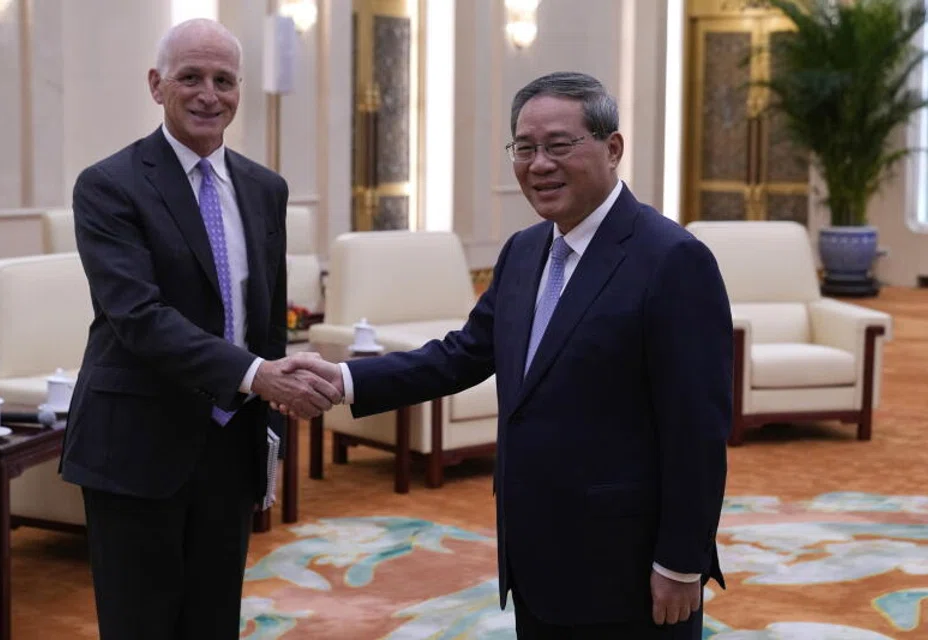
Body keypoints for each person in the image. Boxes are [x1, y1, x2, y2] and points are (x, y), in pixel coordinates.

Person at [288, 71, 731, 638]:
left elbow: (697, 430)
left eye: (558, 145)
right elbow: (462, 355)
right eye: (524, 148)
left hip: (628, 567)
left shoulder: (671, 259)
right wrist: (345, 379)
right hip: (536, 558)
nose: (538, 164)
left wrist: (681, 561)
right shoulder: (525, 252)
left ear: (612, 147)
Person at [60, 19, 341, 640]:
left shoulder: (267, 190)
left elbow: (266, 322)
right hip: (135, 445)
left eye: (224, 80)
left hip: (229, 445)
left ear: (239, 90)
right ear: (157, 85)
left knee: (213, 622)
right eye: (190, 77)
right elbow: (139, 317)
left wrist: (266, 431)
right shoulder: (109, 185)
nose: (208, 95)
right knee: (141, 625)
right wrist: (259, 377)